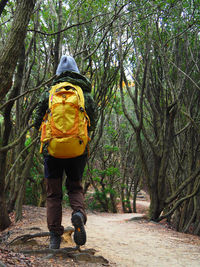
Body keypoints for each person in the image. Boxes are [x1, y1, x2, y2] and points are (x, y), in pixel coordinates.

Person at [34, 55, 97, 249]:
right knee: (75, 187)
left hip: (52, 150)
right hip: (77, 149)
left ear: (58, 74)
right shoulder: (84, 94)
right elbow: (93, 122)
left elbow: (37, 120)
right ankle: (78, 214)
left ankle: (54, 236)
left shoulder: (50, 93)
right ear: (76, 72)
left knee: (53, 194)